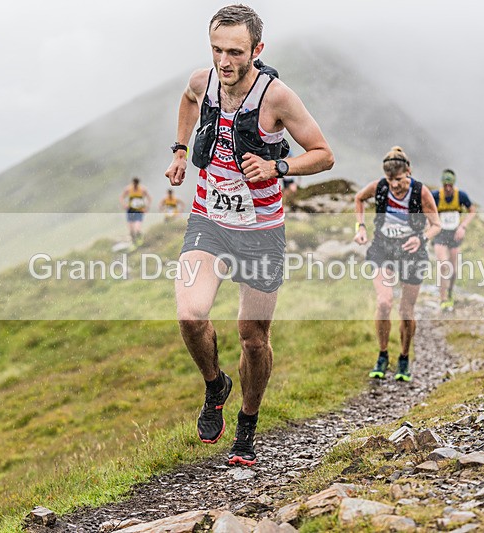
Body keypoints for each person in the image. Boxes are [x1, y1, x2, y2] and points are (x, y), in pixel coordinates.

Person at [164, 4, 333, 466]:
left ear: (257, 50)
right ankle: (216, 384)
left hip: (261, 232)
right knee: (190, 316)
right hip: (209, 221)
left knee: (253, 336)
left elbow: (323, 154)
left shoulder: (277, 97)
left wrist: (278, 166)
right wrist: (180, 151)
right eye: (217, 50)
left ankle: (248, 424)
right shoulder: (204, 81)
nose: (224, 62)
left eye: (235, 52)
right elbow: (186, 97)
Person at [353, 147, 441, 382]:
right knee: (384, 303)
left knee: (405, 311)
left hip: (412, 253)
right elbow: (359, 198)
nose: (394, 185)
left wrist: (421, 238)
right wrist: (360, 227)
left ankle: (403, 358)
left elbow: (436, 225)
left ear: (408, 172)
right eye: (391, 180)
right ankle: (382, 355)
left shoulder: (421, 193)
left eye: (399, 180)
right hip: (383, 249)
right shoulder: (380, 186)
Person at [432, 169, 476, 312]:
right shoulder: (435, 196)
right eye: (445, 185)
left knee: (453, 269)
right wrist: (430, 224)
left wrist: (463, 226)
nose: (448, 188)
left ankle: (450, 292)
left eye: (450, 185)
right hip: (440, 234)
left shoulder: (461, 196)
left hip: (454, 234)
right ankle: (443, 298)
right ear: (442, 184)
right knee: (443, 266)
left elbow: (472, 211)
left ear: (454, 184)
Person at [119, 177, 151, 246]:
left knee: (137, 228)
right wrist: (124, 204)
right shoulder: (128, 189)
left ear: (138, 183)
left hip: (139, 210)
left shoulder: (142, 189)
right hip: (130, 210)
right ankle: (133, 242)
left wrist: (147, 207)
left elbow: (149, 198)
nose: (135, 185)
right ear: (132, 183)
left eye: (136, 184)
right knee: (131, 230)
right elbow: (121, 197)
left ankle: (140, 241)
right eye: (134, 184)